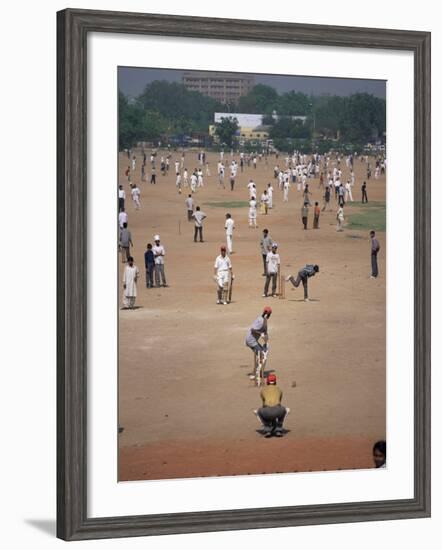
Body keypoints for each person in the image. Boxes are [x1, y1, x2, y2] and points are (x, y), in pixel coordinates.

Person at [256, 373, 287, 437]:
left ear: (267, 382)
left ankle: (267, 429)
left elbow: (264, 404)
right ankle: (278, 429)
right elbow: (279, 403)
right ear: (275, 382)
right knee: (284, 410)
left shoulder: (263, 390)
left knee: (259, 411)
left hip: (267, 411)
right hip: (278, 410)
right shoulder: (279, 390)